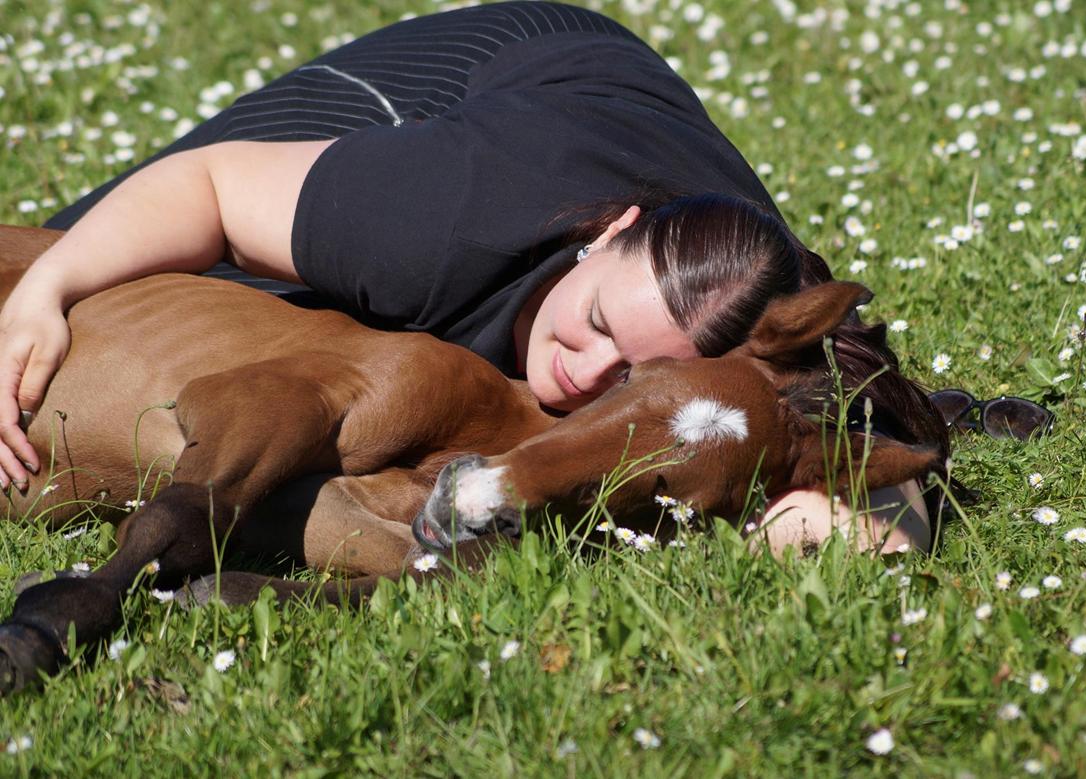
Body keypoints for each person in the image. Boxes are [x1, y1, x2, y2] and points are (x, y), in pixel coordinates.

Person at [0, 1, 945, 554]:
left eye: (635, 373)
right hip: (454, 86)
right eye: (596, 322)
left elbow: (847, 446)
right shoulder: (437, 219)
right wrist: (43, 296)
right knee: (109, 272)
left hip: (629, 133)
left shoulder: (740, 300)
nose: (587, 370)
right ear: (605, 236)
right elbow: (202, 189)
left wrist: (840, 514)